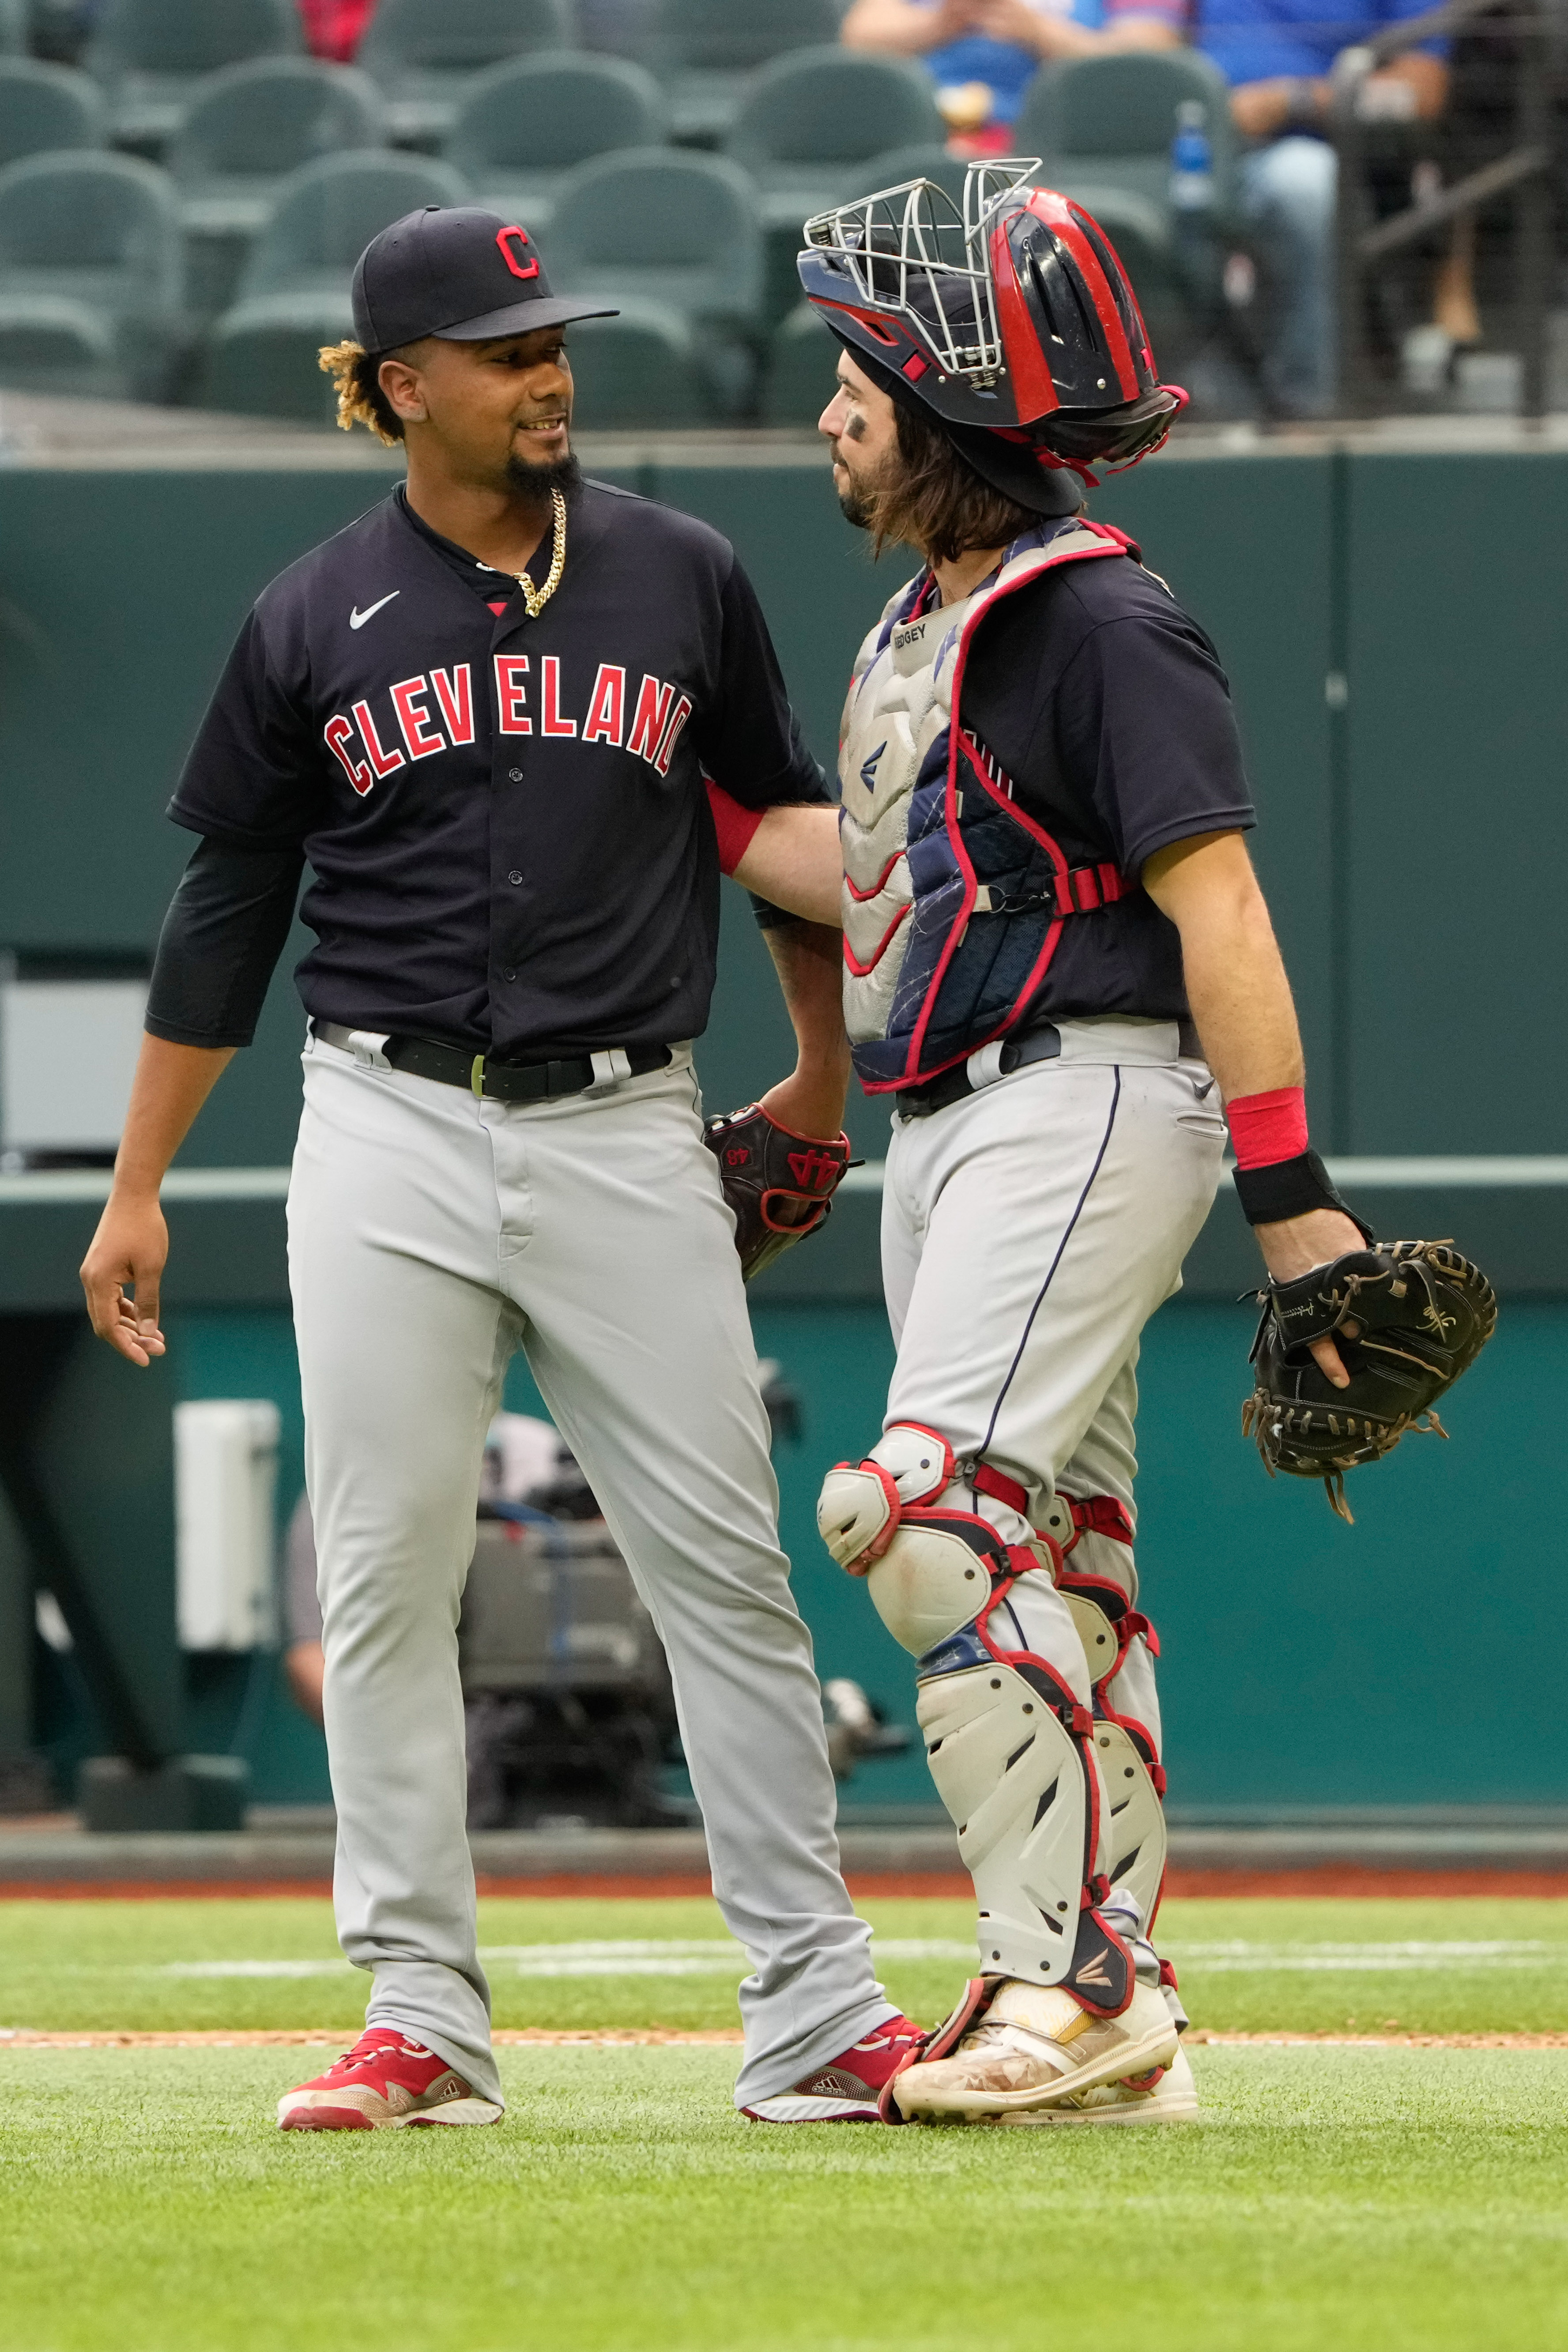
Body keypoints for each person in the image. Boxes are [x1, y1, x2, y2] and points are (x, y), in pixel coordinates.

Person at [79, 204, 924, 2133]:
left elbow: (780, 828)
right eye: (507, 345)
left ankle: (814, 2010)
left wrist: (812, 1077)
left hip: (630, 1115)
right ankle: (420, 2011)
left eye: (558, 340)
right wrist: (139, 1184)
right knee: (385, 1571)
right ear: (397, 388)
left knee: (726, 1568)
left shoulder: (683, 575)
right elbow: (225, 909)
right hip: (380, 1114)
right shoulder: (310, 612)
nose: (551, 370)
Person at [790, 165, 1368, 2122]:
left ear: (940, 394)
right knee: (1065, 1554)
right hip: (952, 1121)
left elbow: (1222, 913)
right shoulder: (923, 618)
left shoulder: (1104, 615)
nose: (829, 407)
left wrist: (1294, 1210)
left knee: (919, 1512)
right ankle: (1125, 2013)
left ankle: (1070, 1978)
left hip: (1087, 1090)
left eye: (856, 372)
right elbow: (883, 863)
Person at [1194, 0, 1448, 415]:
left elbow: (1422, 96)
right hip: (1188, 142)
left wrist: (1293, 102)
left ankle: (1307, 412)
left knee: (1306, 184)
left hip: (1296, 146)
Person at [842, 0, 1183, 145]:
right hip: (934, 137)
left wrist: (1041, 34)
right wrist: (942, 22)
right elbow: (858, 35)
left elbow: (1152, 57)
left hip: (1055, 144)